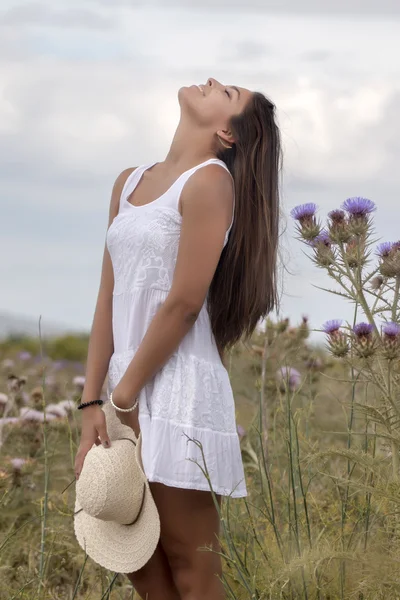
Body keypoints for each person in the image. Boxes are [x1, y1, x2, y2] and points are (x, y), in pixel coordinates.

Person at [74, 77, 282, 600]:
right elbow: (108, 300)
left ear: (227, 134)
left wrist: (124, 397)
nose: (213, 81)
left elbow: (184, 304)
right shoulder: (128, 181)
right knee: (141, 565)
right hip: (123, 390)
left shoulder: (211, 182)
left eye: (229, 93)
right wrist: (91, 402)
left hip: (178, 391)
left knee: (192, 567)